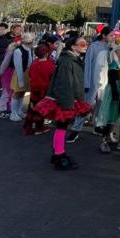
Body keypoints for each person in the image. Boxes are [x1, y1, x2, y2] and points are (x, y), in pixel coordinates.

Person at [34, 35, 91, 170]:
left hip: (69, 98)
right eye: (82, 44)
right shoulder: (67, 62)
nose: (86, 46)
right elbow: (63, 84)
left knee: (62, 127)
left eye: (86, 44)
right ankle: (59, 154)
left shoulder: (73, 59)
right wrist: (67, 105)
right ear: (73, 47)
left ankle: (58, 152)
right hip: (65, 100)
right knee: (61, 126)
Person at [73, 26, 111, 145]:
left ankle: (97, 126)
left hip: (104, 81)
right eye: (110, 35)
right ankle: (76, 129)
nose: (112, 37)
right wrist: (86, 82)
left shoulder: (110, 47)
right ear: (104, 35)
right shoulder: (94, 47)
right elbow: (88, 64)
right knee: (86, 105)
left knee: (101, 106)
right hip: (92, 81)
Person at [23, 44, 56, 135]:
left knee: (32, 107)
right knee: (41, 109)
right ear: (46, 54)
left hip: (34, 88)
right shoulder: (50, 64)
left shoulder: (34, 63)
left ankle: (28, 125)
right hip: (44, 89)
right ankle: (39, 127)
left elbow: (30, 74)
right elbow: (52, 77)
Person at [9, 32, 35, 122]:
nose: (29, 40)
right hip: (20, 73)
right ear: (23, 40)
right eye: (27, 38)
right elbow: (18, 66)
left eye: (31, 38)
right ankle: (13, 113)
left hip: (27, 74)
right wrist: (20, 80)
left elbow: (31, 62)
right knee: (17, 93)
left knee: (23, 93)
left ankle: (19, 110)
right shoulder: (18, 51)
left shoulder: (30, 49)